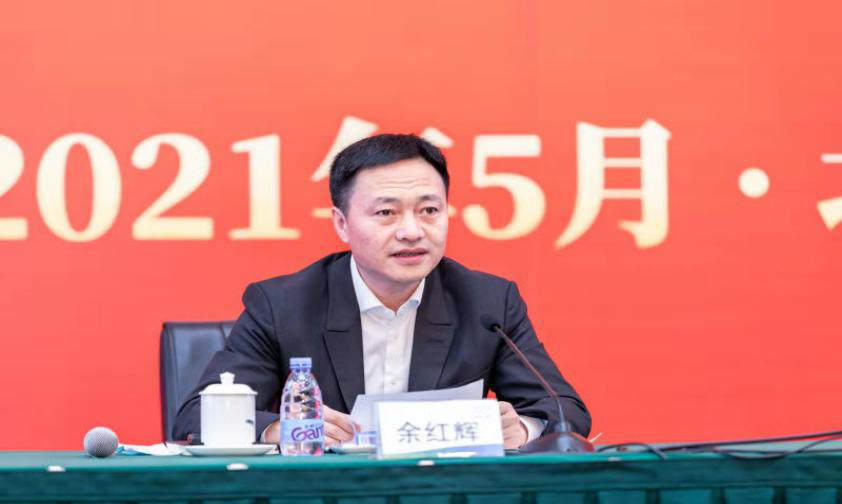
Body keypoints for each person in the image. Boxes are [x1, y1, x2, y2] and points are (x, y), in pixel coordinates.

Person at [173, 134, 590, 449]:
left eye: (429, 210)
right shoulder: (283, 305)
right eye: (386, 212)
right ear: (342, 223)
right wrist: (277, 429)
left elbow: (565, 410)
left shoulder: (487, 303)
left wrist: (523, 428)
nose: (412, 231)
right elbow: (194, 418)